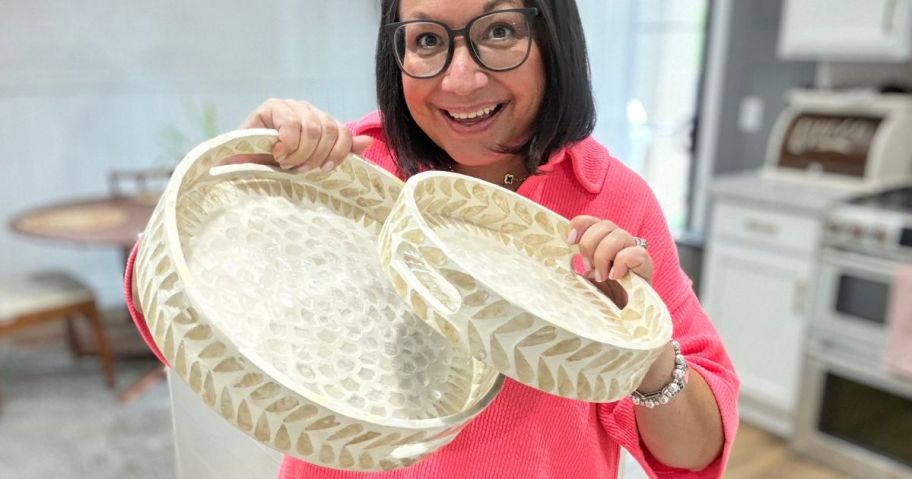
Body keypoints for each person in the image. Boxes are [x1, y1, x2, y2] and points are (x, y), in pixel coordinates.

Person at [125, 0, 739, 477]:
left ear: (553, 36)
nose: (462, 80)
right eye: (426, 41)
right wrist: (237, 185)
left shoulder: (613, 203)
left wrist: (640, 349)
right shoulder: (345, 176)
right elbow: (168, 324)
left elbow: (694, 453)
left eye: (499, 31)